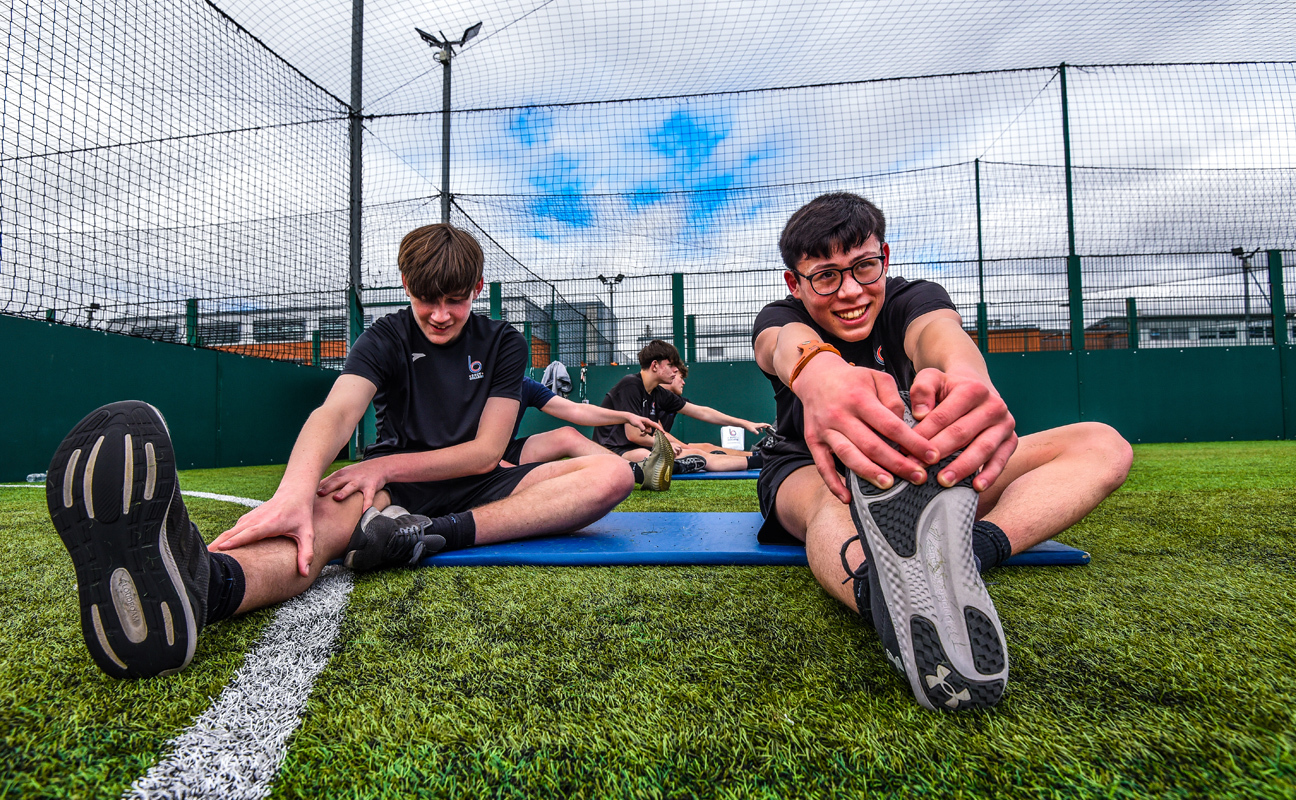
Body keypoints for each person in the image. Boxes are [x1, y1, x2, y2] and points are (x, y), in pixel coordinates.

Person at [45, 223, 635, 679]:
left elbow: (485, 453)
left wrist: (382, 464)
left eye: (455, 300)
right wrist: (293, 494)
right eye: (425, 299)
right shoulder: (385, 335)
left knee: (611, 477)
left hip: (477, 483)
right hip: (390, 490)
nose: (439, 314)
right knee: (317, 527)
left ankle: (428, 535)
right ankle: (201, 590)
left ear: (476, 290)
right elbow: (335, 413)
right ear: (406, 287)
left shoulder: (504, 342)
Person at [752, 193, 1131, 711]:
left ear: (884, 257)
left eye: (864, 267)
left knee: (1101, 442)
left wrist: (970, 381)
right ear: (795, 283)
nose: (850, 291)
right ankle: (883, 594)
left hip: (918, 460)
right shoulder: (782, 315)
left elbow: (939, 334)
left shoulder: (913, 297)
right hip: (806, 466)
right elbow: (782, 343)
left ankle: (967, 554)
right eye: (825, 277)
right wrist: (819, 373)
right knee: (834, 503)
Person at [593, 340, 770, 475]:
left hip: (638, 449)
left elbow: (701, 412)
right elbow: (634, 436)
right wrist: (668, 445)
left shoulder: (657, 393)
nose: (676, 370)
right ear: (655, 365)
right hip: (613, 453)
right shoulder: (630, 385)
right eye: (671, 365)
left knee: (698, 453)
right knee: (650, 454)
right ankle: (674, 467)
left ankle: (761, 461)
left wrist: (745, 423)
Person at [501, 375, 676, 491]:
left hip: (507, 448)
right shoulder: (477, 381)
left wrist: (627, 416)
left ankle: (639, 471)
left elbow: (576, 410)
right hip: (481, 458)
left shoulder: (522, 384)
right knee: (532, 483)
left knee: (567, 435)